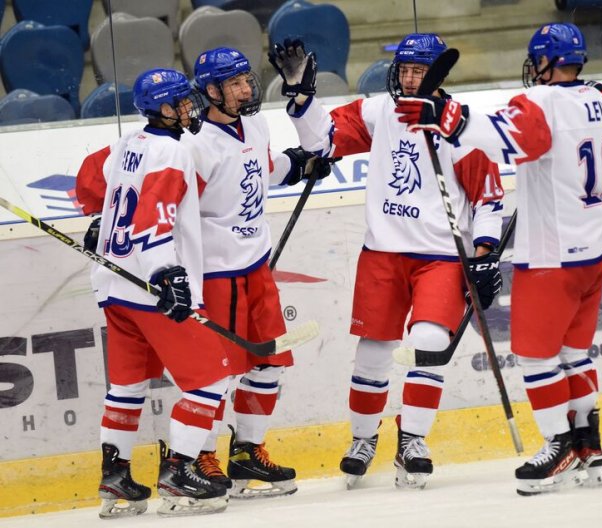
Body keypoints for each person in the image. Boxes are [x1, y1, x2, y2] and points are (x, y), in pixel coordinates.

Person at [395, 22, 602, 495]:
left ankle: (558, 446)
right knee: (574, 354)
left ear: (545, 62)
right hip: (597, 253)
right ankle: (589, 443)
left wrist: (446, 114)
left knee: (534, 358)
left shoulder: (540, 104)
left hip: (553, 258)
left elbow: (497, 135)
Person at [268, 34, 505, 489]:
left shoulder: (459, 126)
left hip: (440, 259)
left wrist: (484, 254)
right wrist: (302, 99)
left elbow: (489, 200)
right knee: (373, 354)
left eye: (420, 71)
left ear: (437, 75)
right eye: (405, 70)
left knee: (430, 342)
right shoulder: (379, 112)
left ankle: (412, 438)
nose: (410, 78)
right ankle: (362, 439)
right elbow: (324, 141)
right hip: (383, 255)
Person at [76, 68, 234, 517]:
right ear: (164, 109)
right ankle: (180, 473)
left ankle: (116, 478)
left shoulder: (129, 144)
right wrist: (169, 274)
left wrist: (100, 222)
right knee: (210, 380)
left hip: (113, 285)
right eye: (183, 102)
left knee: (127, 387)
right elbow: (151, 220)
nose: (191, 107)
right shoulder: (172, 151)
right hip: (148, 287)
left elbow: (101, 182)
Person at [180, 47, 333, 499]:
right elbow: (175, 209)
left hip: (256, 268)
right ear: (210, 92)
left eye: (247, 80)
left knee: (269, 364)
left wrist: (301, 165)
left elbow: (263, 170)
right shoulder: (194, 144)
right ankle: (201, 455)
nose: (247, 89)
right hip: (215, 276)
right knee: (218, 374)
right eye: (235, 84)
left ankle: (248, 453)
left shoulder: (257, 123)